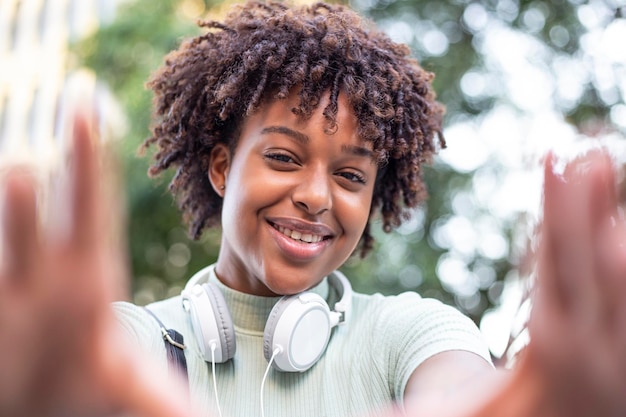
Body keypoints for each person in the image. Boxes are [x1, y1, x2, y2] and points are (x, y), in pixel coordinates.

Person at [1, 1, 626, 417]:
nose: (318, 196)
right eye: (283, 157)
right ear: (222, 168)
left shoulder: (409, 332)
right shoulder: (131, 335)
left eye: (351, 174)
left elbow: (460, 392)